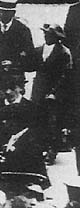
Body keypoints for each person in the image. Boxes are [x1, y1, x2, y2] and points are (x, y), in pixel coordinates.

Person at [27, 23, 72, 164]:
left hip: (54, 92)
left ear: (57, 37)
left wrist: (54, 92)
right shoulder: (39, 50)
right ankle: (39, 148)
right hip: (38, 90)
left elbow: (65, 76)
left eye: (49, 34)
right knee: (37, 119)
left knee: (53, 122)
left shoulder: (63, 53)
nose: (46, 36)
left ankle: (52, 151)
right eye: (45, 33)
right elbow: (30, 65)